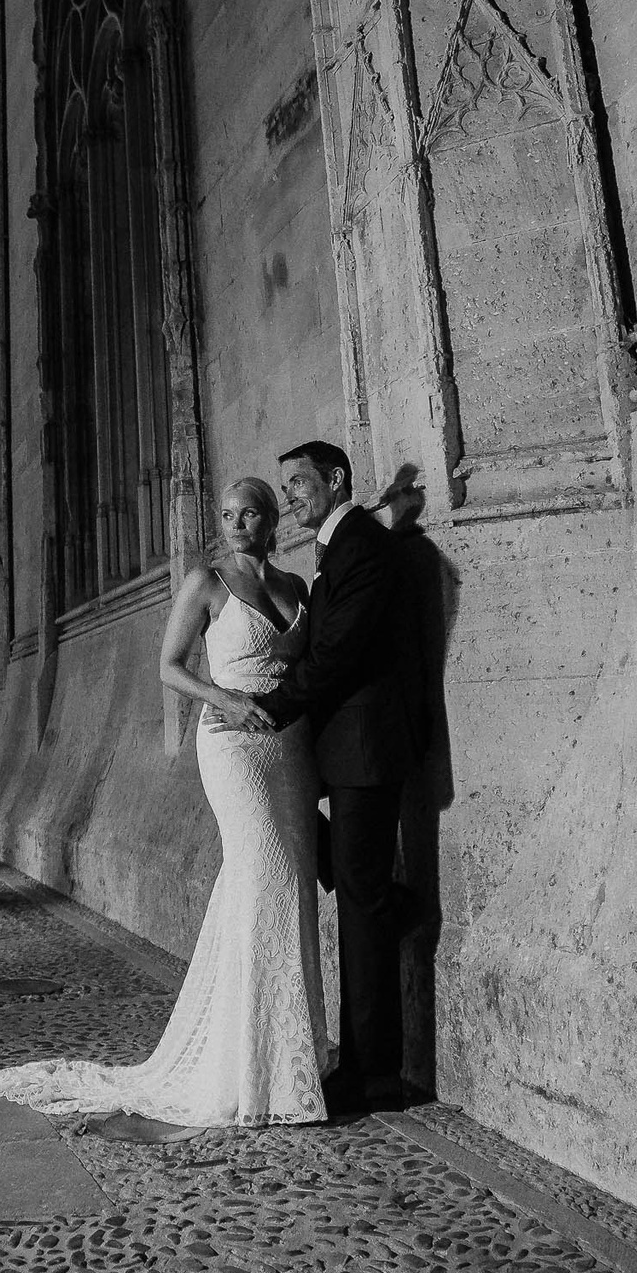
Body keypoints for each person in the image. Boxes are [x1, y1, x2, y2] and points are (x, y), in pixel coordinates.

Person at [0, 477, 329, 1129]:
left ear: (271, 517)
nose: (234, 522)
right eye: (226, 514)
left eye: (247, 512)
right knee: (264, 875)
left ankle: (291, 1064)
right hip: (230, 746)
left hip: (289, 752)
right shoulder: (207, 581)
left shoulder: (295, 588)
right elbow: (169, 665)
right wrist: (226, 701)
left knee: (286, 891)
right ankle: (247, 1070)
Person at [220, 439, 429, 1115]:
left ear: (336, 479)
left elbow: (339, 650)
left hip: (364, 749)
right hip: (340, 749)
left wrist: (273, 709)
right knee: (357, 891)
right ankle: (364, 1058)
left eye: (301, 483)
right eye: (285, 488)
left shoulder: (362, 543)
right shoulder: (340, 546)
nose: (291, 498)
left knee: (362, 903)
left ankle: (373, 1074)